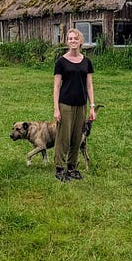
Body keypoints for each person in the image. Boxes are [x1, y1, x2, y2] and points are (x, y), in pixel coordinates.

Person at [53, 28, 96, 182]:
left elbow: (89, 85)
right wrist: (56, 109)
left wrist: (92, 106)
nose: (72, 41)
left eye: (75, 39)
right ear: (67, 41)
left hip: (81, 105)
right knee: (63, 137)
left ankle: (72, 166)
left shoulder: (86, 62)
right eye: (70, 38)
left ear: (80, 42)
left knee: (77, 137)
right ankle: (59, 168)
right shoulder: (61, 62)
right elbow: (56, 86)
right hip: (65, 105)